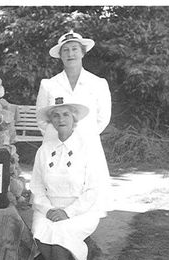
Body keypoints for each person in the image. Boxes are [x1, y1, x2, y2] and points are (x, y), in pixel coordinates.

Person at [30, 97, 107, 260]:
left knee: (61, 230)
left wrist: (68, 212)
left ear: (74, 119)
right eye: (56, 115)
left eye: (65, 114)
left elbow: (93, 190)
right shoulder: (44, 150)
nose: (61, 119)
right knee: (39, 230)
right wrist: (47, 209)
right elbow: (36, 186)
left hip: (81, 210)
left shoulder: (87, 149)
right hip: (49, 207)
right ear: (51, 121)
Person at [36, 30, 111, 210]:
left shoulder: (98, 83)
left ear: (83, 52)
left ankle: (85, 229)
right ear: (60, 55)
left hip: (87, 141)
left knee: (89, 189)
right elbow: (42, 118)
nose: (70, 54)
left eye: (75, 49)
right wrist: (59, 136)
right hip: (56, 142)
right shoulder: (49, 84)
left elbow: (103, 117)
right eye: (66, 50)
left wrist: (83, 136)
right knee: (57, 186)